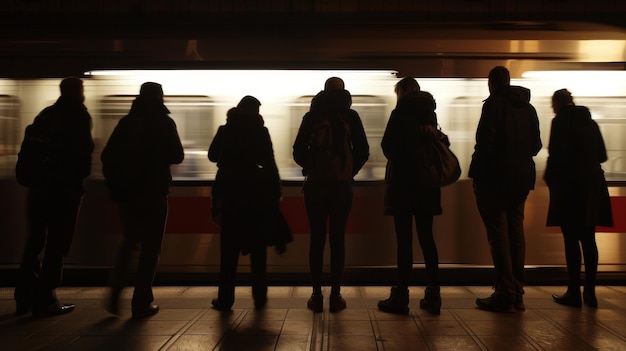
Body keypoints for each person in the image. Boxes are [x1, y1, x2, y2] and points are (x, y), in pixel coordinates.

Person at [101, 82, 184, 319]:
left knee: (129, 243)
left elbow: (107, 156)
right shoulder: (164, 122)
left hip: (127, 194)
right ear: (159, 97)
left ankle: (115, 296)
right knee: (150, 248)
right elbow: (177, 155)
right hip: (154, 193)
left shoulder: (126, 123)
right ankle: (141, 302)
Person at [14, 77, 94, 317]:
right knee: (57, 244)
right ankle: (45, 298)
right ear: (77, 92)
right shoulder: (78, 116)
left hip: (37, 191)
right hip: (63, 192)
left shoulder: (45, 115)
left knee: (35, 241)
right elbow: (83, 155)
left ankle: (23, 296)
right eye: (82, 89)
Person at [469, 66, 542, 313]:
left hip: (495, 180)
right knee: (515, 233)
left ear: (492, 83)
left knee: (498, 236)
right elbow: (536, 145)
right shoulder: (528, 108)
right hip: (521, 179)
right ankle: (517, 290)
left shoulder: (493, 105)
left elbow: (484, 142)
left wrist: (479, 171)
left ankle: (504, 293)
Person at [293, 77, 369, 313]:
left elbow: (297, 151)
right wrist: (348, 171)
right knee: (338, 240)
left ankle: (316, 296)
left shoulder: (312, 115)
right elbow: (364, 151)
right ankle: (336, 296)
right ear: (344, 91)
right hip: (341, 188)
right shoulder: (351, 116)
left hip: (315, 187)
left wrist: (310, 166)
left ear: (323, 91)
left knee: (317, 240)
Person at [208, 96, 282, 311]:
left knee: (228, 252)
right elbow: (270, 164)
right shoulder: (261, 131)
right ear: (257, 112)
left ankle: (225, 299)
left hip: (230, 195)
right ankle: (259, 296)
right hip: (256, 196)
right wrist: (276, 192)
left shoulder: (225, 129)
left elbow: (213, 156)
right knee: (258, 251)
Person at [377, 77, 443, 315]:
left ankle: (401, 296)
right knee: (427, 238)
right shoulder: (430, 114)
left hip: (404, 185)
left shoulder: (400, 112)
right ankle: (433, 295)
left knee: (404, 241)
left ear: (401, 93)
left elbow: (387, 147)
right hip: (427, 185)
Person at [545, 89, 612, 308]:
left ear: (557, 104)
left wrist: (551, 180)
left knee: (571, 240)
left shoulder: (559, 122)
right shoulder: (590, 123)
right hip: (591, 188)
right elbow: (602, 155)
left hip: (568, 189)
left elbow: (554, 155)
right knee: (589, 240)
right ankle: (590, 294)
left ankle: (573, 292)